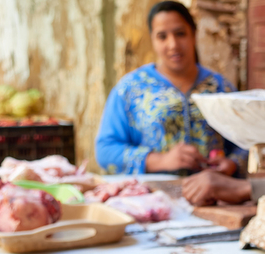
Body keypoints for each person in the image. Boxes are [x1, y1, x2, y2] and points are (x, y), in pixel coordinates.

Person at [95, 1, 249, 206]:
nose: (173, 44)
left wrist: (231, 163)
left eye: (180, 33)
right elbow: (105, 150)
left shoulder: (220, 88)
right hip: (153, 204)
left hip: (216, 204)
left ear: (194, 34)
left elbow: (246, 143)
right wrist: (159, 160)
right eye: (162, 36)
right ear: (153, 40)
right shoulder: (131, 89)